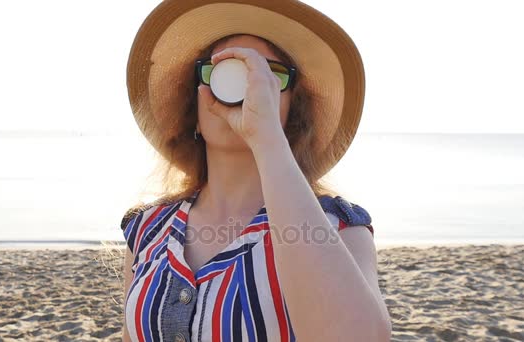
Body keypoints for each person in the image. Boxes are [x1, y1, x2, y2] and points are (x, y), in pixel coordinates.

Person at [120, 1, 392, 341]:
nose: (249, 89)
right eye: (222, 70)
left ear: (294, 109)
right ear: (193, 100)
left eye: (269, 76)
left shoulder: (338, 228)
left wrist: (267, 138)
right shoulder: (147, 229)